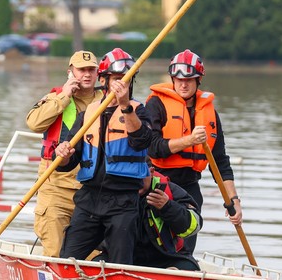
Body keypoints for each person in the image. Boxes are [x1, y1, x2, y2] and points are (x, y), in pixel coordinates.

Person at [54, 48, 152, 265]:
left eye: (126, 80)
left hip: (123, 201)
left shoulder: (139, 111)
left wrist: (125, 105)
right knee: (68, 260)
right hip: (89, 199)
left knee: (120, 264)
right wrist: (62, 154)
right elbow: (67, 162)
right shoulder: (87, 114)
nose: (121, 85)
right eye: (117, 79)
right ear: (104, 80)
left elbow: (142, 141)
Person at [146, 49, 242, 254]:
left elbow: (220, 162)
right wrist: (189, 140)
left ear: (198, 80)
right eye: (178, 79)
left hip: (190, 188)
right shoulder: (156, 105)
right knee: (155, 245)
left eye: (189, 79)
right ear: (172, 78)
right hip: (159, 184)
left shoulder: (210, 114)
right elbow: (153, 147)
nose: (183, 84)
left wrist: (233, 200)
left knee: (185, 248)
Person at [25, 50, 101, 257]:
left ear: (98, 73)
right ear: (70, 72)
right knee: (55, 252)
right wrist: (64, 97)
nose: (86, 74)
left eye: (91, 70)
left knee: (93, 258)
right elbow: (34, 123)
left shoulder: (107, 100)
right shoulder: (56, 97)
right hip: (56, 189)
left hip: (92, 192)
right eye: (81, 70)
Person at [95, 160, 203, 270]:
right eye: (130, 176)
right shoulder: (110, 192)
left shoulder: (170, 191)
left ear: (151, 172)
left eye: (140, 175)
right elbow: (91, 231)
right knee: (93, 267)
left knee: (190, 268)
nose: (135, 181)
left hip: (166, 257)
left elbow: (194, 226)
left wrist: (168, 207)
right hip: (120, 255)